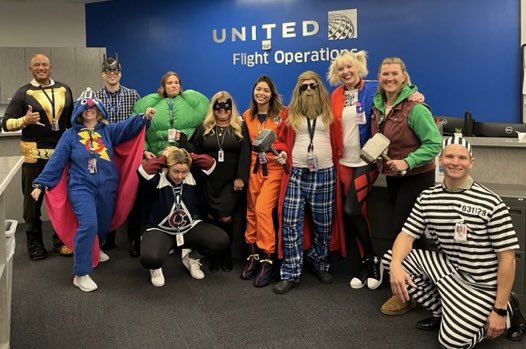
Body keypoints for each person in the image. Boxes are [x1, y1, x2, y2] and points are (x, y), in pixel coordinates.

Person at [383, 136, 526, 348]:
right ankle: (442, 311)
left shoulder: (490, 201)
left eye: (462, 157)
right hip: (451, 272)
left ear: (471, 162)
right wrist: (395, 265)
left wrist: (499, 309)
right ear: (440, 159)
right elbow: (406, 236)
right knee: (392, 258)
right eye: (449, 156)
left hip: (482, 285)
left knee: (452, 342)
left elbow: (508, 259)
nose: (455, 162)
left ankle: (508, 310)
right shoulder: (427, 197)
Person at [30, 88, 155, 292]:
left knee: (104, 223)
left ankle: (95, 247)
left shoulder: (107, 131)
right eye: (85, 109)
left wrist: (143, 118)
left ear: (99, 111)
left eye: (93, 108)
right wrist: (40, 182)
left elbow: (126, 128)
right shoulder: (70, 136)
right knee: (88, 224)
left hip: (107, 186)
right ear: (79, 113)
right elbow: (57, 161)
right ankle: (81, 273)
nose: (89, 111)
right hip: (81, 187)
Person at [327, 50, 424, 290]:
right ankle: (365, 261)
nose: (346, 72)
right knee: (356, 211)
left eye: (349, 67)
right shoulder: (336, 95)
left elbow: (399, 95)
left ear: (358, 66)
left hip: (368, 158)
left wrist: (415, 94)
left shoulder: (374, 88)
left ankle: (372, 259)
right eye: (341, 69)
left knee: (352, 208)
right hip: (343, 161)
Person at [370, 57, 442, 314]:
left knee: (405, 233)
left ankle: (406, 294)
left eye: (394, 74)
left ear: (404, 77)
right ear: (378, 77)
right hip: (395, 178)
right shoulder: (379, 104)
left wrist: (407, 162)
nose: (389, 78)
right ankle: (421, 289)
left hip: (416, 177)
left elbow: (434, 144)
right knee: (407, 233)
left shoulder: (416, 107)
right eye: (384, 74)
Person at [272, 70, 343, 295]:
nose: (309, 90)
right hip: (296, 174)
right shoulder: (290, 114)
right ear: (299, 90)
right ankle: (291, 272)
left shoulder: (330, 112)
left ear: (319, 87)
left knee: (324, 224)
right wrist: (282, 154)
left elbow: (339, 139)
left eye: (313, 86)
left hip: (325, 174)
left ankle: (319, 262)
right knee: (290, 223)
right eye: (304, 87)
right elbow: (282, 141)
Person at [131, 71, 209, 274]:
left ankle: (187, 246)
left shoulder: (192, 102)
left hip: (183, 160)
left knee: (188, 201)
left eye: (176, 82)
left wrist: (190, 151)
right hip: (159, 159)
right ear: (163, 86)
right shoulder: (151, 103)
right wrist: (146, 150)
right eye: (169, 82)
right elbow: (141, 130)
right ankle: (151, 238)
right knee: (155, 201)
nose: (173, 85)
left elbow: (202, 126)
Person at [1, 53, 74, 260]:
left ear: (50, 67)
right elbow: (5, 124)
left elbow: (71, 124)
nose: (41, 68)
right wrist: (24, 120)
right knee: (32, 205)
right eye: (36, 65)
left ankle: (61, 240)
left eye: (44, 65)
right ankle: (34, 244)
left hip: (60, 158)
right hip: (34, 159)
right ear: (30, 69)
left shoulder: (65, 89)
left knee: (61, 202)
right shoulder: (23, 93)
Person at [180, 91, 251, 273]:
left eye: (226, 106)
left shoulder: (240, 126)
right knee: (211, 215)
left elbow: (246, 153)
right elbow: (193, 148)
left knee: (225, 215)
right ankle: (215, 255)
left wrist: (241, 177)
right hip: (208, 179)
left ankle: (225, 252)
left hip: (231, 181)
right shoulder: (205, 127)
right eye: (218, 106)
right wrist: (181, 140)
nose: (222, 110)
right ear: (213, 108)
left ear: (231, 108)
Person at [139, 146, 230, 287]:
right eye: (176, 171)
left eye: (184, 171)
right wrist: (166, 158)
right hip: (161, 229)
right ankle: (156, 269)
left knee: (221, 240)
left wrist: (187, 156)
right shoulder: (158, 178)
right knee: (150, 259)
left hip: (188, 227)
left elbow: (210, 162)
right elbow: (144, 169)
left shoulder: (192, 176)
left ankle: (191, 258)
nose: (180, 176)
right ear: (168, 168)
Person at [94, 53, 141, 255]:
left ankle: (134, 239)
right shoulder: (95, 98)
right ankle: (107, 237)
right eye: (108, 71)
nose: (112, 74)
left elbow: (139, 125)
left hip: (128, 151)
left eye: (115, 71)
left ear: (120, 74)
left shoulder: (133, 95)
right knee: (106, 193)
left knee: (132, 191)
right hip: (104, 152)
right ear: (103, 74)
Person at [241, 76, 285, 287]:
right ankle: (253, 255)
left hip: (274, 168)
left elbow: (287, 141)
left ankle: (268, 258)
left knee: (262, 210)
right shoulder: (246, 116)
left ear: (272, 94)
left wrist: (282, 152)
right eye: (258, 89)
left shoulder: (282, 115)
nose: (261, 93)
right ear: (253, 92)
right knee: (251, 212)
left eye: (266, 90)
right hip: (253, 169)